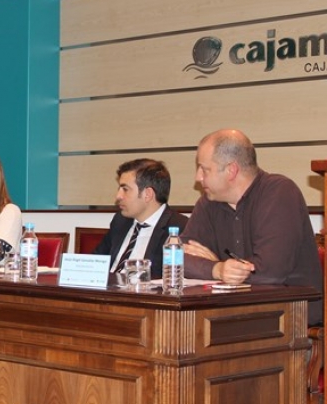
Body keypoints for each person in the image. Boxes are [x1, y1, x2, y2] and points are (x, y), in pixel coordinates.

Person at [182, 129, 323, 325]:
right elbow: (174, 258)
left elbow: (269, 272)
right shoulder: (209, 203)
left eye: (205, 169)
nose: (198, 177)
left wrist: (221, 268)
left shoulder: (279, 192)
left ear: (231, 170)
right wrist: (218, 269)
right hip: (233, 315)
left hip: (289, 320)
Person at [93, 158, 189, 279]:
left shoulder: (180, 228)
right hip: (110, 288)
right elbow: (96, 261)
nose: (118, 196)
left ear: (147, 194)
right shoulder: (120, 221)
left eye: (125, 189)